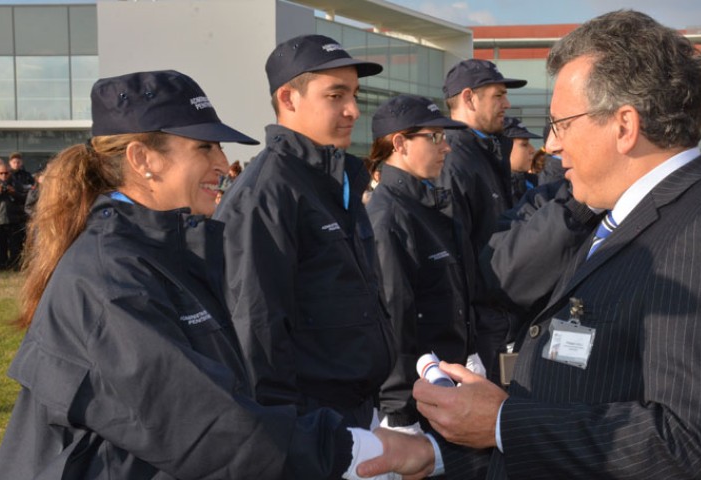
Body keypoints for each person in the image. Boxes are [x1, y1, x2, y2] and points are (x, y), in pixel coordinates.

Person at [359, 10, 701, 479]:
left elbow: (691, 446)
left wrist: (501, 422)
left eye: (562, 124)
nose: (553, 145)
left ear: (624, 126)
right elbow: (583, 404)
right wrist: (440, 454)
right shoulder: (622, 217)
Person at [0, 69, 410, 480]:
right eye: (204, 148)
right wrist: (363, 449)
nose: (222, 163)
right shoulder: (108, 278)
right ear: (143, 160)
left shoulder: (168, 253)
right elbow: (208, 427)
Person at [214, 34, 396, 430]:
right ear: (288, 98)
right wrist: (293, 442)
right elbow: (255, 332)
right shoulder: (265, 195)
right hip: (311, 425)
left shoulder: (335, 181)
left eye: (355, 96)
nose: (352, 110)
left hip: (356, 411)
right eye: (335, 95)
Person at [365, 94, 477, 433]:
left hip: (446, 388)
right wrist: (400, 414)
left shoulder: (428, 206)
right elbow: (394, 320)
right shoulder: (387, 219)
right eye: (435, 137)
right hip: (419, 403)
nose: (446, 148)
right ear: (400, 143)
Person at [439, 58, 527, 384]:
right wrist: (468, 343)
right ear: (468, 98)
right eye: (498, 95)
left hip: (497, 320)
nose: (506, 104)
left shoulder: (485, 153)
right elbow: (453, 261)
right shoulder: (455, 161)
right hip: (481, 328)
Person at [0, 163, 27, 269]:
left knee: (15, 245)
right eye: (1, 173)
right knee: (0, 245)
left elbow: (25, 199)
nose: (3, 175)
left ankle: (14, 264)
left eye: (6, 173)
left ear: (10, 173)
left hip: (14, 218)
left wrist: (14, 192)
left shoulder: (16, 184)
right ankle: (1, 265)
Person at [503, 116, 543, 204]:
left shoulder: (534, 182)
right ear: (503, 147)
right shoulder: (491, 189)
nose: (532, 149)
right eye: (524, 144)